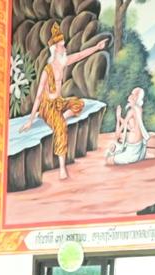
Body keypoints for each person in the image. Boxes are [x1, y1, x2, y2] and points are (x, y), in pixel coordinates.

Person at [18, 23, 109, 181]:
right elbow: (38, 96)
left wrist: (97, 47)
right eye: (62, 46)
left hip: (58, 102)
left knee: (78, 104)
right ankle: (62, 167)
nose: (65, 48)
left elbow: (80, 55)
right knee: (60, 127)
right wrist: (30, 120)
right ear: (55, 49)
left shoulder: (63, 62)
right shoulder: (47, 70)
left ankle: (63, 116)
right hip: (47, 107)